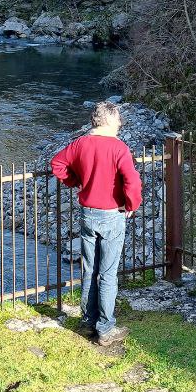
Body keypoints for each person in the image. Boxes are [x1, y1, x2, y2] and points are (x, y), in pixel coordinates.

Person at [51, 100, 142, 345]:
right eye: (118, 119)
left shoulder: (80, 143)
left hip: (88, 213)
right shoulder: (118, 147)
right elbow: (132, 181)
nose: (121, 123)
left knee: (89, 269)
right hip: (112, 214)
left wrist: (76, 182)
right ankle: (105, 327)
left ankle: (88, 320)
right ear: (109, 121)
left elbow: (57, 164)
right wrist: (131, 205)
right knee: (108, 273)